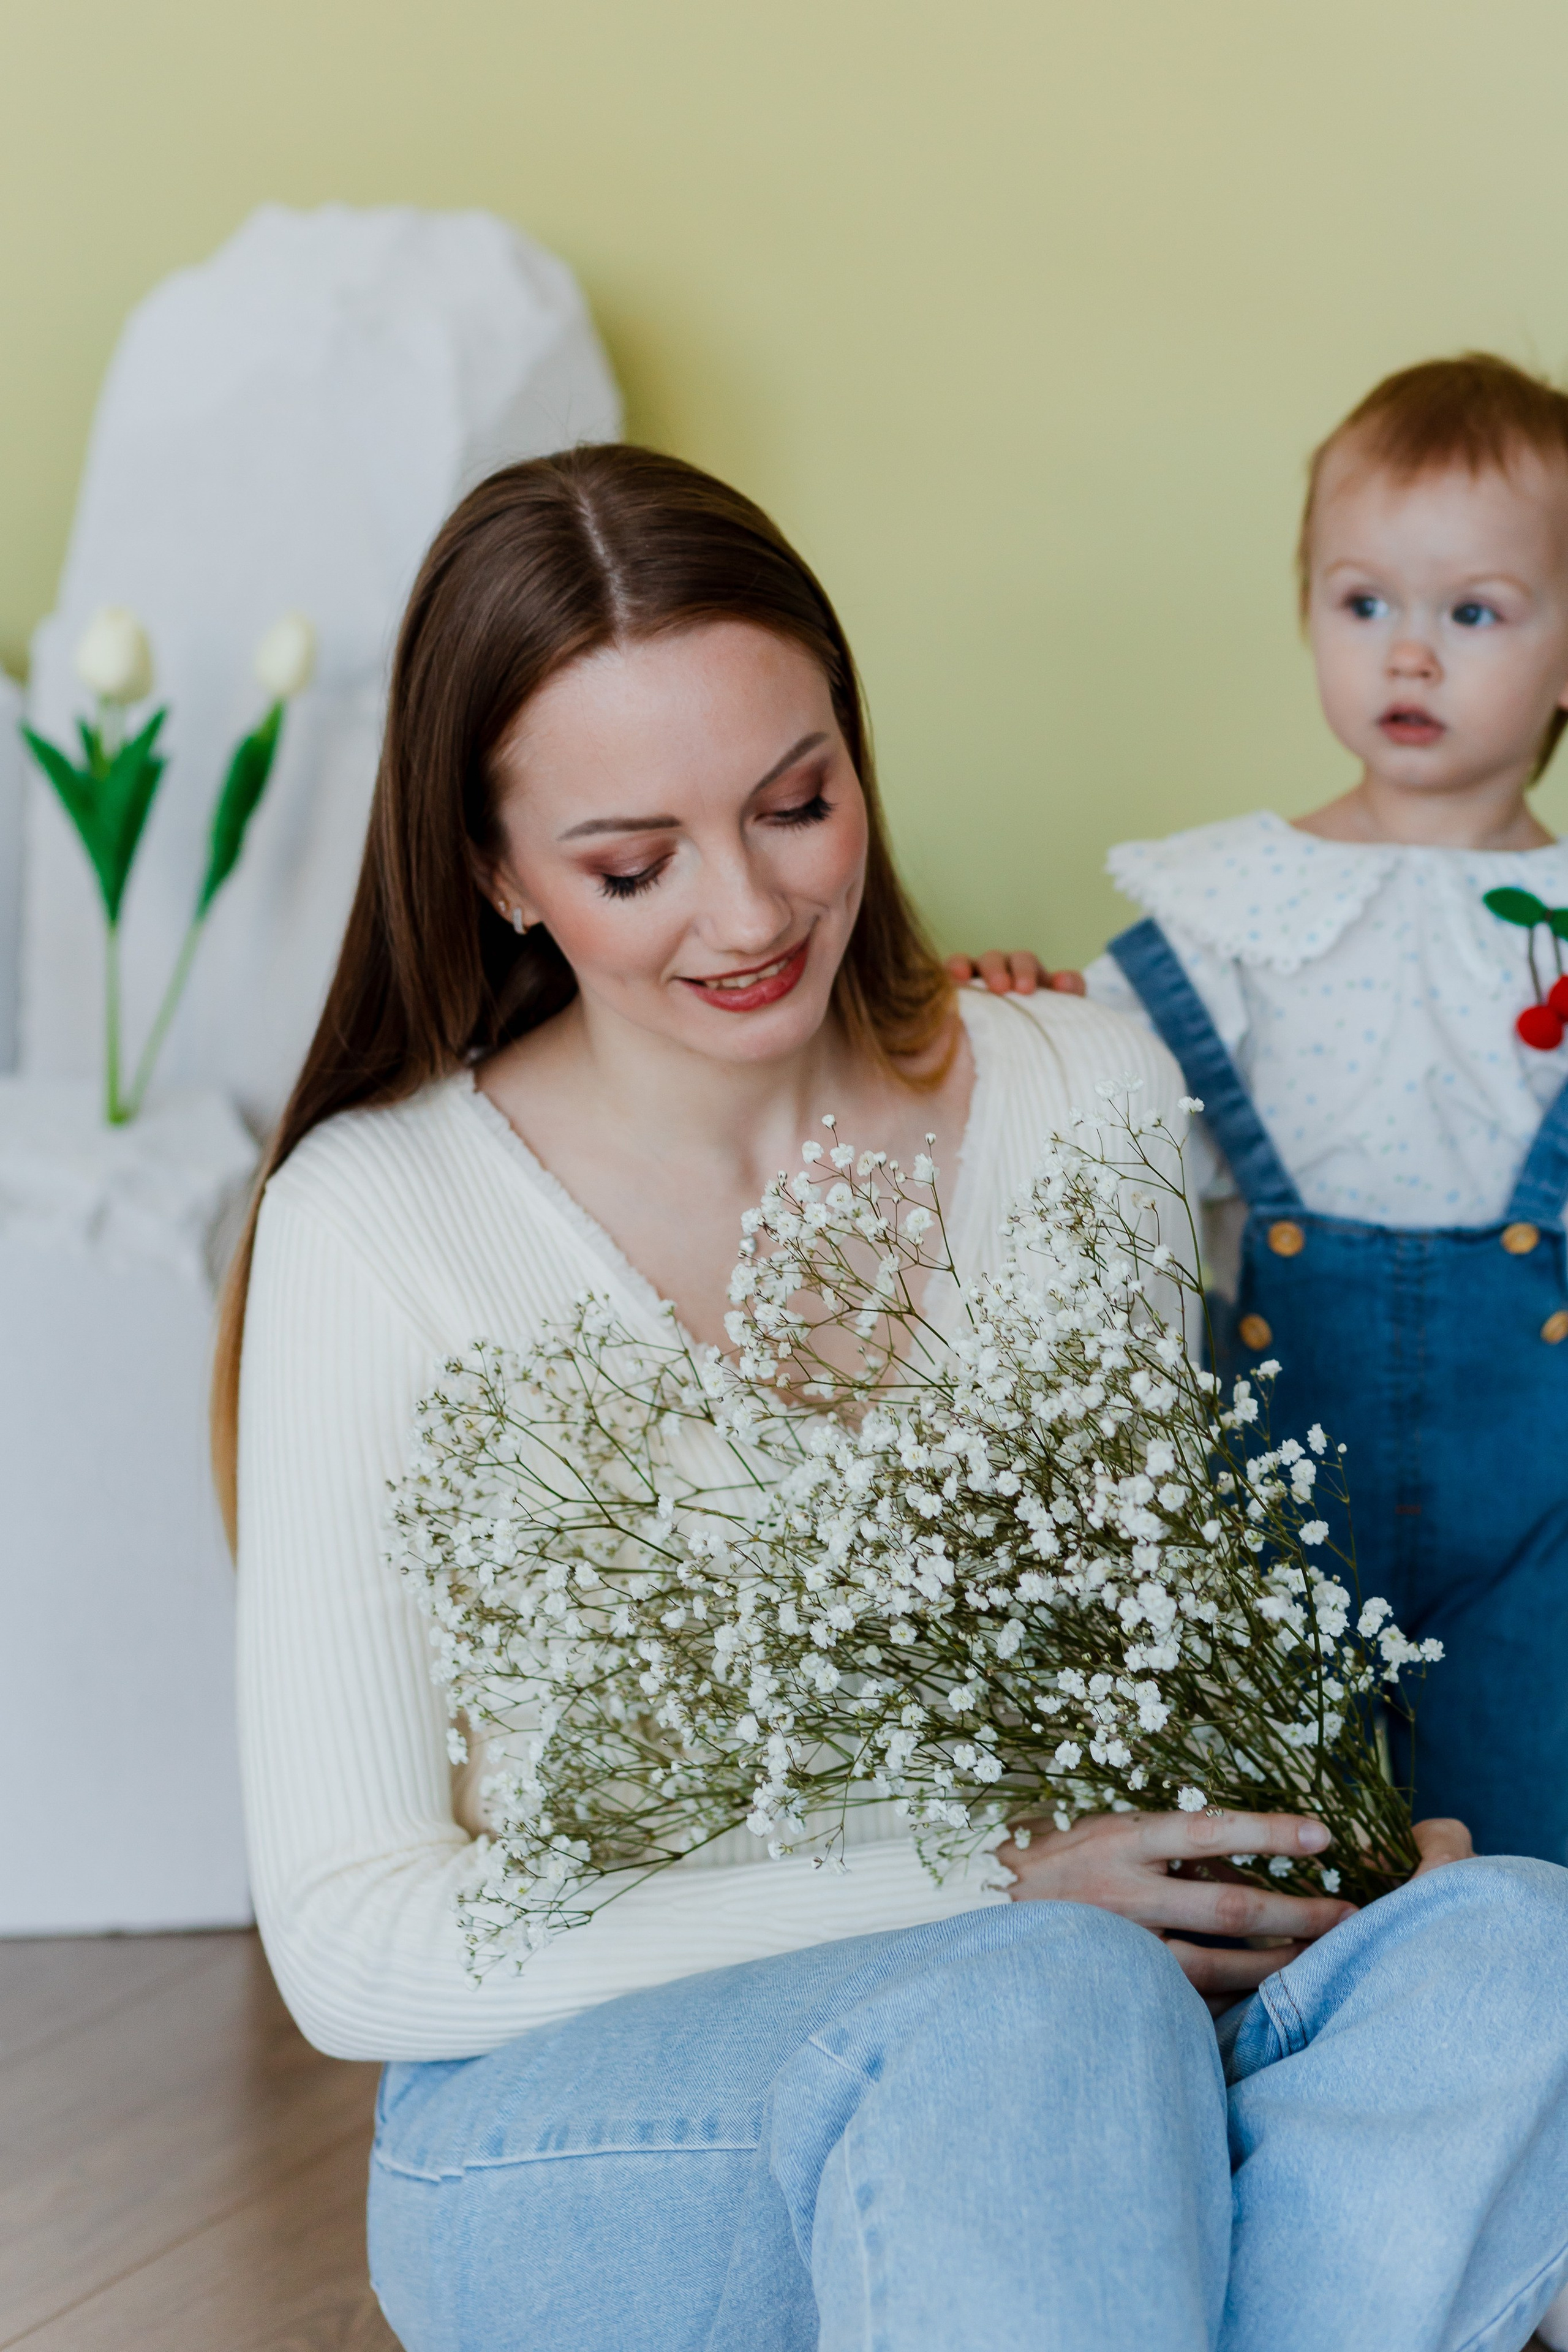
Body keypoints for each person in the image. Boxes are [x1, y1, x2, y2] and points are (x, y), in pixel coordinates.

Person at [221, 445, 1568, 2352]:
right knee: (1038, 1999)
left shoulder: (1084, 1095)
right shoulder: (377, 1220)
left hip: (1076, 2059)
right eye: (633, 863)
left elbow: (1124, 1703)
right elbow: (359, 1949)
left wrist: (1305, 1852)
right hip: (584, 2128)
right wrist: (986, 1888)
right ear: (492, 873)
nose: (751, 909)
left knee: (1521, 1954)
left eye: (796, 802)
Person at [951, 354, 1568, 1864]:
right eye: (1362, 605)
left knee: (1527, 1870)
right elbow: (1095, 1117)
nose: (1406, 658)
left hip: (1541, 1531)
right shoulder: (1235, 908)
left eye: (1469, 613)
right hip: (1277, 1498)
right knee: (1277, 1863)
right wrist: (1015, 1028)